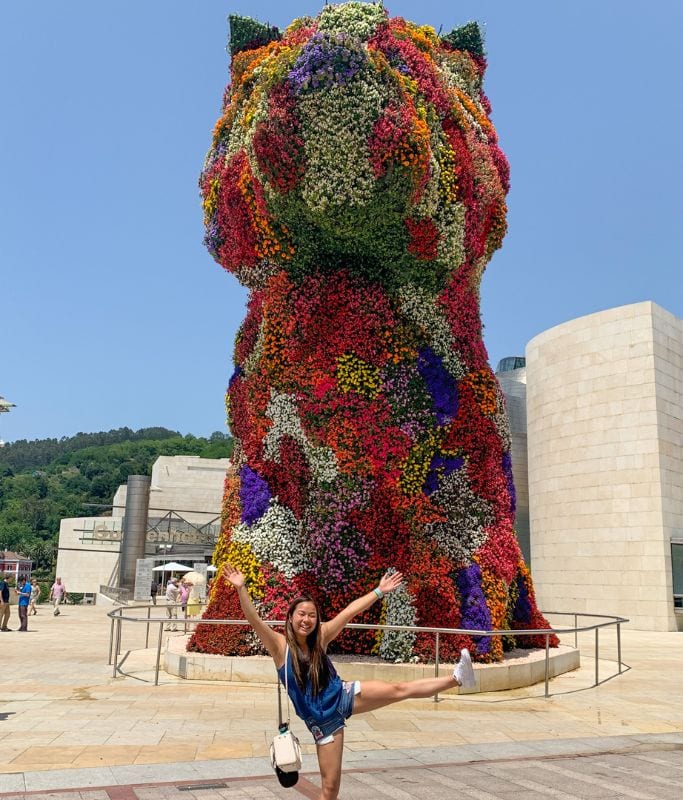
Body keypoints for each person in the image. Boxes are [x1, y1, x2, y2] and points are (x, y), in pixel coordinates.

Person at [223, 563, 476, 800]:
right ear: (290, 617)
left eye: (312, 615)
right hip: (324, 723)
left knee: (399, 689)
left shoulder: (320, 637)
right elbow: (254, 620)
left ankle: (457, 679)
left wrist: (379, 590)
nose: (306, 620)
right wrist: (241, 588)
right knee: (330, 790)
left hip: (344, 695)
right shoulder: (280, 647)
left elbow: (349, 612)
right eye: (301, 614)